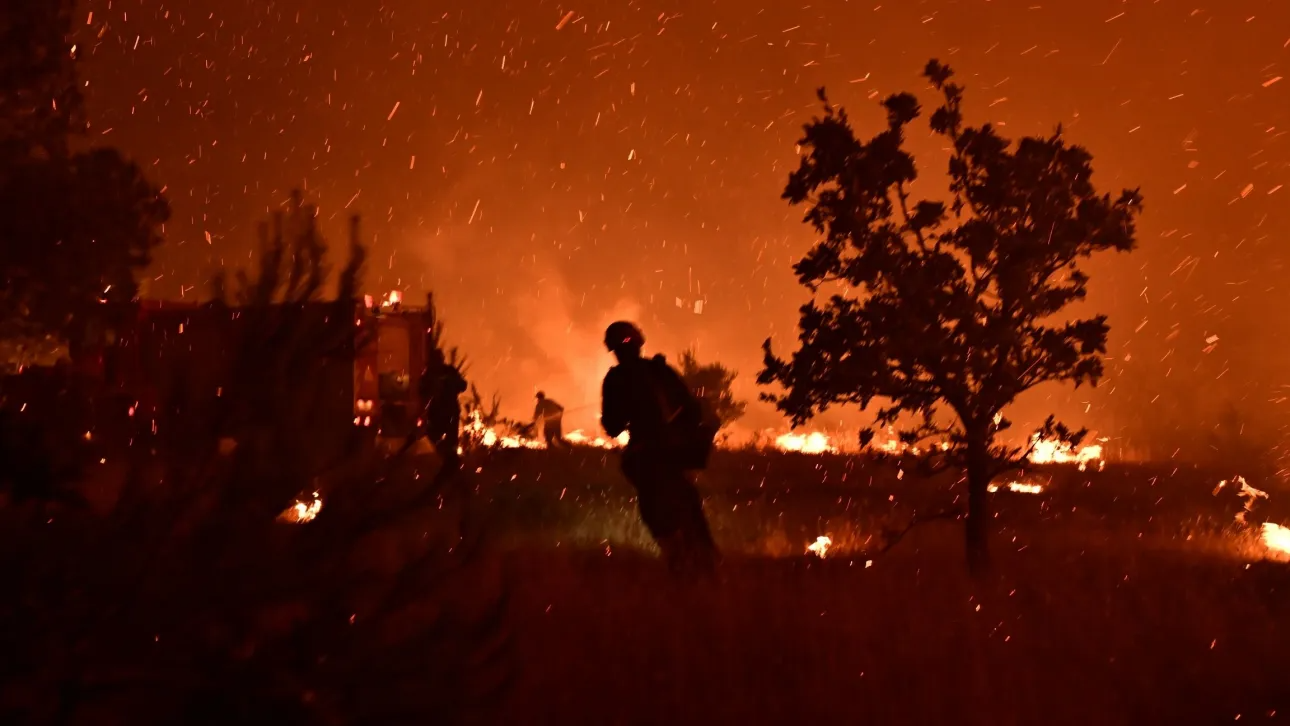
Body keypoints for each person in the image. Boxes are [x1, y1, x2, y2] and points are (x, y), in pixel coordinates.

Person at [600, 321, 718, 575]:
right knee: (687, 502)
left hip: (647, 456)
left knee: (656, 508)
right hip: (674, 452)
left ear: (614, 349)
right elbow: (692, 408)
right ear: (639, 344)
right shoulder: (661, 371)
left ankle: (683, 560)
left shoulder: (616, 379)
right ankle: (703, 561)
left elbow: (612, 426)